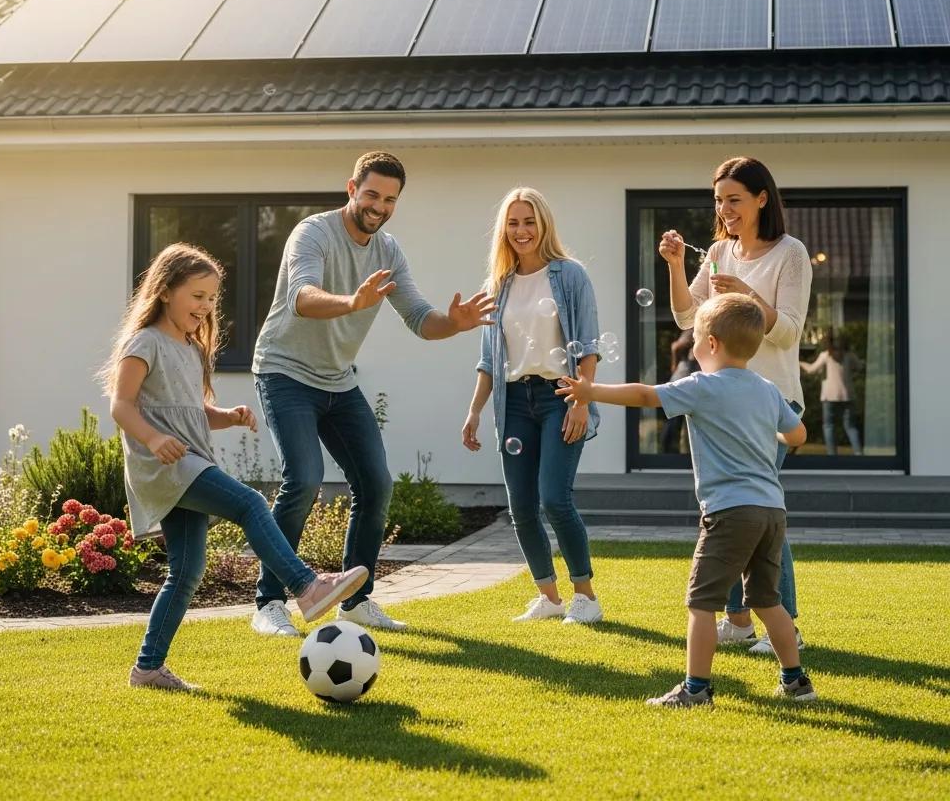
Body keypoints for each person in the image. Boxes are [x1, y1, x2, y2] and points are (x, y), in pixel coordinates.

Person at [105, 243, 368, 692]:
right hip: (165, 464)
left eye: (211, 298)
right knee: (249, 503)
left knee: (185, 573)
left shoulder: (189, 347)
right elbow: (121, 405)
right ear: (165, 291)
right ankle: (307, 587)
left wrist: (225, 416)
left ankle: (147, 669)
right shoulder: (145, 342)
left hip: (188, 460)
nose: (206, 306)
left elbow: (189, 409)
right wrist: (153, 438)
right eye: (197, 296)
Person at [252, 151, 494, 636]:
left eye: (389, 200)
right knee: (304, 479)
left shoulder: (388, 252)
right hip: (284, 372)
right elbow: (301, 297)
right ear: (351, 189)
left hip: (338, 380)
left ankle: (356, 602)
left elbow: (420, 319)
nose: (379, 207)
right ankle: (269, 602)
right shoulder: (313, 233)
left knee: (376, 484)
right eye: (371, 195)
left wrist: (456, 324)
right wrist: (352, 301)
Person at [558, 294, 818, 707]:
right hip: (771, 510)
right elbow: (798, 434)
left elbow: (646, 395)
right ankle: (796, 682)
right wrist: (763, 431)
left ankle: (695, 689)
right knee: (768, 601)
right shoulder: (767, 390)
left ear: (711, 343)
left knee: (701, 602)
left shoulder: (702, 387)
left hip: (729, 512)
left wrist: (591, 390)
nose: (693, 345)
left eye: (695, 338)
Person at [659, 156, 811, 657]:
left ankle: (783, 626)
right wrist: (676, 265)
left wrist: (748, 294)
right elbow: (687, 317)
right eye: (719, 200)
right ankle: (740, 621)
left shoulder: (791, 253)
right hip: (722, 402)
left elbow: (788, 330)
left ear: (761, 199)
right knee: (727, 508)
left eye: (735, 199)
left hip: (771, 400)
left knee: (755, 507)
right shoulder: (719, 251)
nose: (725, 209)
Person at [462, 187, 603, 624]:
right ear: (503, 229)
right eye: (513, 223)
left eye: (529, 222)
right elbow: (489, 359)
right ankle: (549, 597)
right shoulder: (497, 286)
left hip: (561, 395)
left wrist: (581, 400)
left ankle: (586, 597)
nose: (521, 231)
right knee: (521, 507)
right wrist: (474, 410)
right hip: (514, 402)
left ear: (543, 225)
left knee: (554, 499)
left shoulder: (570, 275)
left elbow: (588, 346)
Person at [801, 334, 863, 455]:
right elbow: (860, 367)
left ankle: (832, 455)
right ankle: (858, 453)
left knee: (829, 426)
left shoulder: (825, 356)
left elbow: (811, 370)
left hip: (829, 397)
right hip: (847, 396)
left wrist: (799, 363)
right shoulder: (849, 355)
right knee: (850, 427)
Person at [660, 329, 698, 454]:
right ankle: (666, 451)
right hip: (684, 378)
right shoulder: (693, 330)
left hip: (684, 378)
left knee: (679, 420)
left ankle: (678, 451)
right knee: (674, 419)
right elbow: (676, 347)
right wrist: (674, 364)